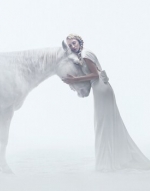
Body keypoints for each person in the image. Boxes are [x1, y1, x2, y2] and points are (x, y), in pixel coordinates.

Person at [62, 34, 150, 171]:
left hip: (101, 88)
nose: (72, 46)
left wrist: (75, 80)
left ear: (79, 42)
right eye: (69, 45)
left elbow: (95, 74)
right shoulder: (82, 55)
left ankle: (108, 161)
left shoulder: (85, 54)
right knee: (105, 123)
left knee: (104, 123)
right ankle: (111, 158)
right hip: (100, 88)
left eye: (74, 43)